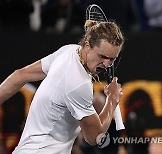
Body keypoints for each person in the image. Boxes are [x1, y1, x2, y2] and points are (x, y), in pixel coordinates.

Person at [0, 19, 124, 154]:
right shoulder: (79, 84)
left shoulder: (68, 51)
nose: (107, 64)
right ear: (87, 46)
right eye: (102, 56)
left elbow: (21, 75)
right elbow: (94, 137)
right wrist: (112, 100)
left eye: (112, 59)